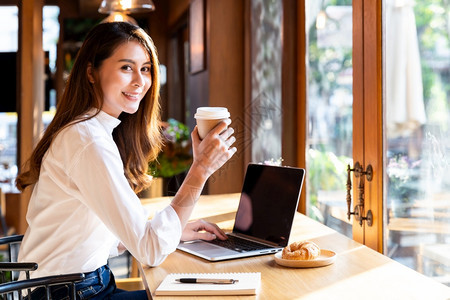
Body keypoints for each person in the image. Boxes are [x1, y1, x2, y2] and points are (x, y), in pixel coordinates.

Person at [15, 21, 236, 299]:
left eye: (145, 69)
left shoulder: (92, 131)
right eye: (126, 67)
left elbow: (103, 235)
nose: (139, 81)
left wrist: (175, 230)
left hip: (82, 286)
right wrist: (200, 169)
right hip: (71, 293)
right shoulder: (88, 140)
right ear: (91, 73)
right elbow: (151, 251)